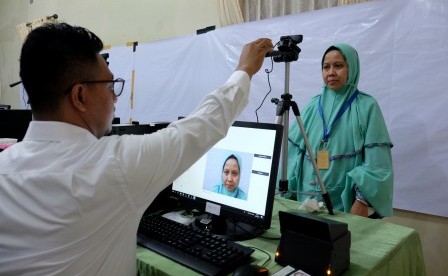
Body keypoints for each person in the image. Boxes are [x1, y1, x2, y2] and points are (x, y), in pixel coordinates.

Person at [0, 22, 273, 275]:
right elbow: (202, 125)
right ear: (80, 96)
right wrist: (244, 70)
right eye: (110, 85)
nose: (115, 97)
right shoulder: (115, 165)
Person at [285, 43, 393, 218]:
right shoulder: (313, 106)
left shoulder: (367, 107)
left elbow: (377, 164)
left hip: (345, 205)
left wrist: (361, 201)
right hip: (304, 200)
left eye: (339, 66)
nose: (331, 73)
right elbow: (291, 156)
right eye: (326, 67)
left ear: (351, 68)